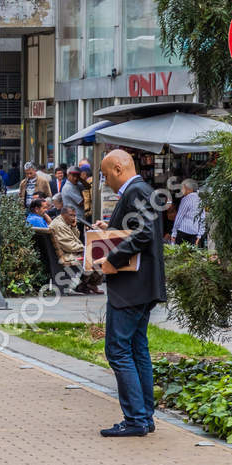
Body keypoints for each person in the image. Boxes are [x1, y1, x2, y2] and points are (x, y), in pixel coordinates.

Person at [93, 149, 169, 437]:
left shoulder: (135, 191)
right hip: (143, 286)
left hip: (131, 288)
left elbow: (143, 234)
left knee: (118, 349)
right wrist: (110, 229)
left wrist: (112, 261)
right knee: (137, 351)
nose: (105, 181)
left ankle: (136, 419)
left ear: (117, 169)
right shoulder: (143, 190)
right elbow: (137, 230)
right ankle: (143, 417)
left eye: (104, 175)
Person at [170, 178, 206, 246]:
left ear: (187, 188)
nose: (181, 190)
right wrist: (199, 235)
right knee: (192, 255)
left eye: (182, 188)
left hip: (183, 231)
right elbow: (203, 217)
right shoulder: (200, 199)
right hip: (195, 232)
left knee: (180, 254)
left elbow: (179, 216)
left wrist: (174, 233)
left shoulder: (186, 199)